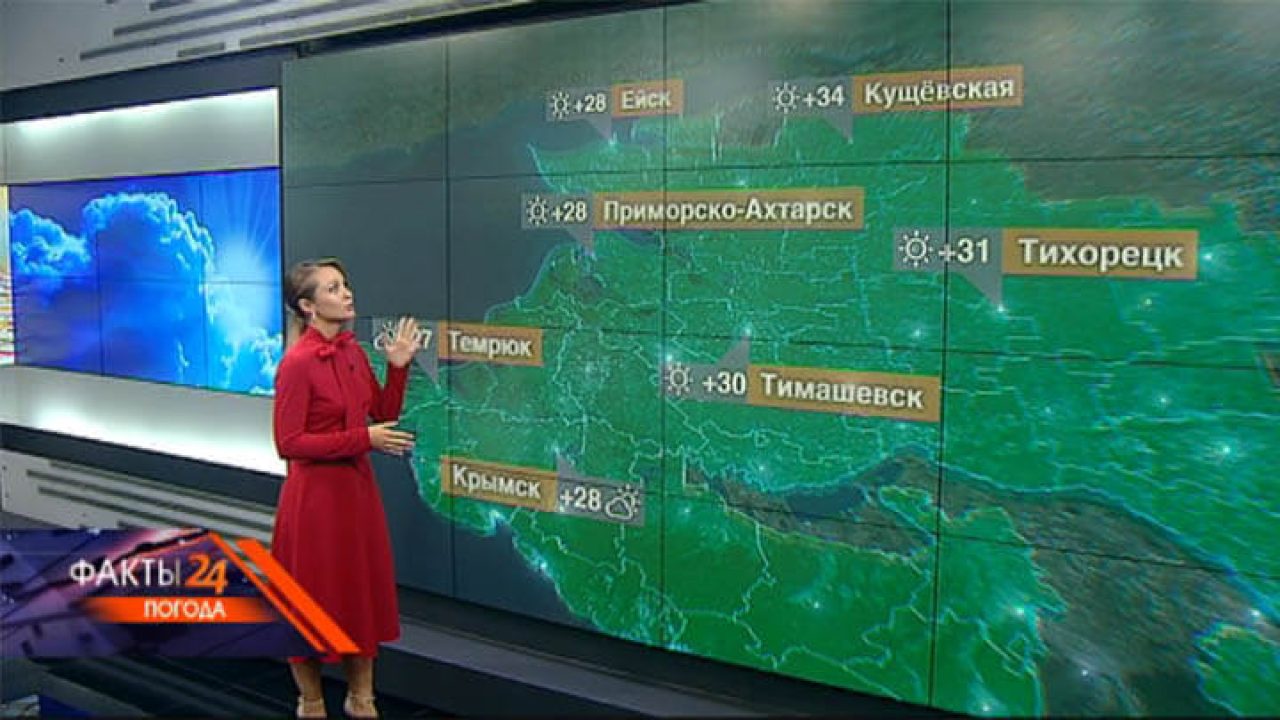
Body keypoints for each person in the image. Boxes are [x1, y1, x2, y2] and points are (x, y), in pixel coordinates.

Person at [270, 258, 418, 719]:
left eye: (345, 285)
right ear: (308, 306)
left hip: (356, 495)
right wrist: (362, 440)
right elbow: (288, 443)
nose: (347, 293)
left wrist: (397, 368)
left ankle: (362, 698)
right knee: (311, 601)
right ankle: (311, 702)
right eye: (333, 288)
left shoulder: (353, 353)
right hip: (314, 503)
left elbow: (382, 413)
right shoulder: (297, 364)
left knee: (358, 596)